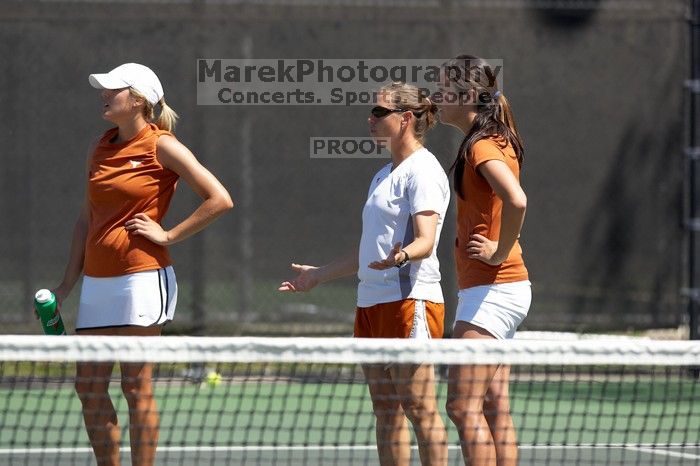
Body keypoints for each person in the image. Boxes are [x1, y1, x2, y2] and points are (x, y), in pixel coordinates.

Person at [51, 63, 233, 466]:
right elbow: (87, 218)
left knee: (136, 386)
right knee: (89, 386)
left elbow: (219, 198)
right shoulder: (99, 146)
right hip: (97, 284)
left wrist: (168, 235)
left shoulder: (161, 145)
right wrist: (67, 284)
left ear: (137, 100)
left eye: (112, 90)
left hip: (142, 278)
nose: (103, 95)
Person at [279, 82, 450, 466]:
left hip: (410, 300)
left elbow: (426, 240)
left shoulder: (423, 172)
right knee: (385, 410)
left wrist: (402, 256)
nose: (369, 119)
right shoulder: (383, 175)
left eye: (379, 113)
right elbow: (367, 251)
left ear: (405, 119)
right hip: (370, 303)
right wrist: (318, 275)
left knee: (419, 409)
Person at [434, 55, 531, 466]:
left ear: (467, 95)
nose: (435, 96)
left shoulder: (483, 146)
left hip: (493, 291)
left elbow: (517, 199)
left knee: (461, 406)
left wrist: (498, 248)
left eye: (442, 89)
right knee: (493, 407)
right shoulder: (490, 138)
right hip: (496, 289)